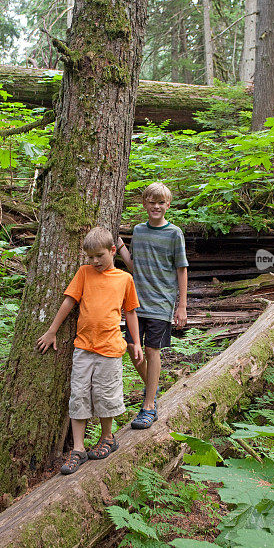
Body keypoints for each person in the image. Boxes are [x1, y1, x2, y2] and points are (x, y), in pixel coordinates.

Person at [37, 227, 143, 475]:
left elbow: (130, 312)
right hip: (84, 347)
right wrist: (52, 330)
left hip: (110, 348)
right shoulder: (84, 273)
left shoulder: (125, 279)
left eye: (100, 256)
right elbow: (70, 301)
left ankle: (108, 438)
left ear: (113, 251)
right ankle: (78, 449)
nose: (95, 261)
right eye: (91, 257)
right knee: (79, 394)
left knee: (106, 394)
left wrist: (136, 342)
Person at [117, 182, 188, 429]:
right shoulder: (139, 230)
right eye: (151, 202)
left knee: (150, 350)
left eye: (161, 203)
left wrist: (182, 306)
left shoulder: (174, 233)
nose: (156, 206)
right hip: (136, 302)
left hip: (161, 302)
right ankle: (153, 392)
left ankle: (148, 406)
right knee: (131, 348)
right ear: (144, 204)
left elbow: (181, 270)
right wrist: (119, 245)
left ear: (168, 205)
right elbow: (134, 266)